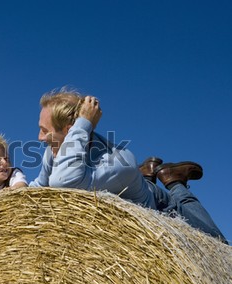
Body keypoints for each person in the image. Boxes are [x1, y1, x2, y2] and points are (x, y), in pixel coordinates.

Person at [30, 87, 227, 244]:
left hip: (162, 206)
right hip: (123, 184)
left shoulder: (119, 162)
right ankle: (146, 174)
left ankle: (175, 182)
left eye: (43, 130)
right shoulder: (55, 148)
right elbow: (40, 185)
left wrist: (82, 124)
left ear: (70, 130)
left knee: (219, 243)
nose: (39, 137)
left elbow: (63, 182)